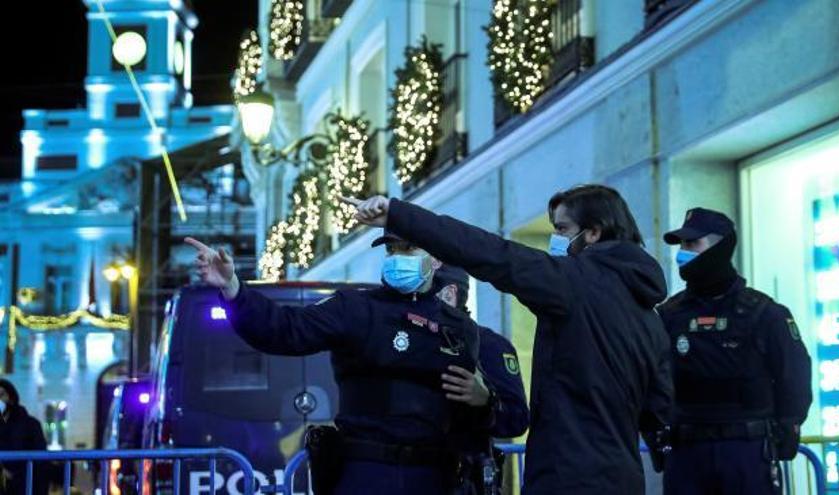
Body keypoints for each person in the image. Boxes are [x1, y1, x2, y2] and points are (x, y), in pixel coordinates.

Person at [345, 184, 673, 494]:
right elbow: (661, 412)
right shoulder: (649, 315)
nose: (554, 240)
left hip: (568, 478)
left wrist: (400, 216)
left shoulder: (572, 283)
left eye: (561, 229)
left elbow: (490, 253)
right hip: (625, 479)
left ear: (593, 233)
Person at [185, 234, 483, 495]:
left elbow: (472, 418)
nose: (397, 258)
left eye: (409, 248)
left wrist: (486, 401)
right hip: (365, 471)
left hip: (431, 476)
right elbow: (284, 329)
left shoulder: (458, 328)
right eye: (392, 250)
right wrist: (233, 288)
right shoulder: (354, 308)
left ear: (435, 259)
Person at [657, 207, 812, 494]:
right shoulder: (668, 316)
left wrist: (789, 426)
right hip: (686, 453)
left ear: (721, 247)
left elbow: (794, 376)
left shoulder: (765, 313)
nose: (682, 253)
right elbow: (651, 379)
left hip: (748, 451)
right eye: (682, 245)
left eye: (692, 244)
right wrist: (654, 432)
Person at [433, 265, 529, 494]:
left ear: (449, 294)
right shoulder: (412, 341)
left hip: (463, 477)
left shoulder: (489, 346)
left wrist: (487, 401)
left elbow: (517, 419)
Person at [0, 379, 48, 495]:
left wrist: (12, 474)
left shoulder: (30, 424)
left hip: (25, 486)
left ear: (11, 398)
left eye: (1, 395)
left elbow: (40, 459)